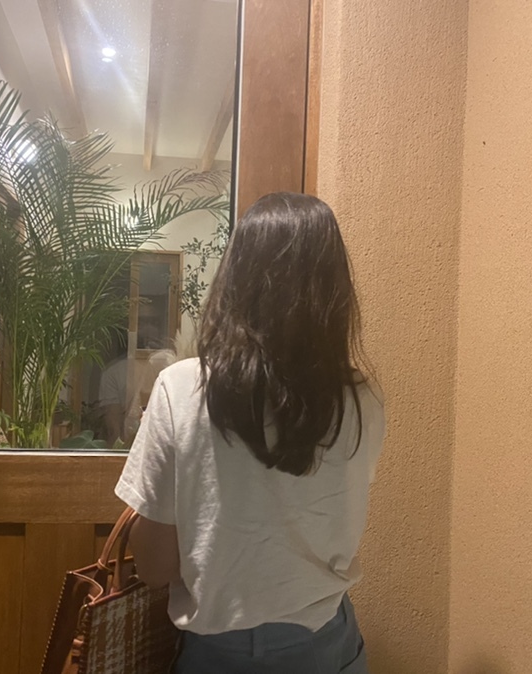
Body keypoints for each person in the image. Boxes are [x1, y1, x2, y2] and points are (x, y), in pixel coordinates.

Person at [114, 192, 385, 673]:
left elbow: (154, 567)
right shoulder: (361, 401)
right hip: (331, 646)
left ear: (236, 278)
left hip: (220, 656)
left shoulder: (181, 388)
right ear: (333, 290)